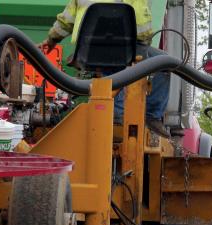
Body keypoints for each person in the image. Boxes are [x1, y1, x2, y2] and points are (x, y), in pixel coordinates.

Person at [42, 0, 172, 137]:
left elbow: (65, 21)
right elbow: (143, 31)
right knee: (164, 63)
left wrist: (51, 41)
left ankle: (116, 116)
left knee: (119, 70)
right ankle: (146, 117)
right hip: (126, 50)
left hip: (88, 52)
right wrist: (143, 47)